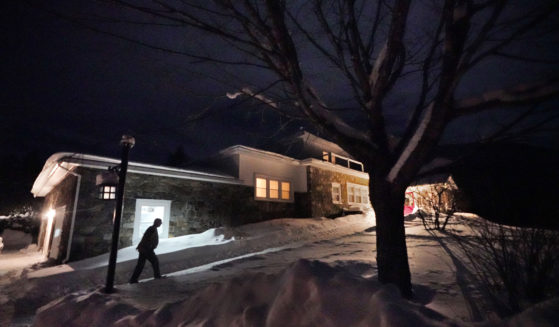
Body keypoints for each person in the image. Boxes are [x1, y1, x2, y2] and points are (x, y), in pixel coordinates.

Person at [129, 218, 164, 283]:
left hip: (144, 249)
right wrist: (149, 248)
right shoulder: (152, 229)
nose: (161, 224)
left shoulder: (152, 229)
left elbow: (145, 238)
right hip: (147, 250)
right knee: (155, 261)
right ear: (157, 223)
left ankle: (133, 279)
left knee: (140, 265)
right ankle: (157, 275)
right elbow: (146, 239)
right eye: (160, 222)